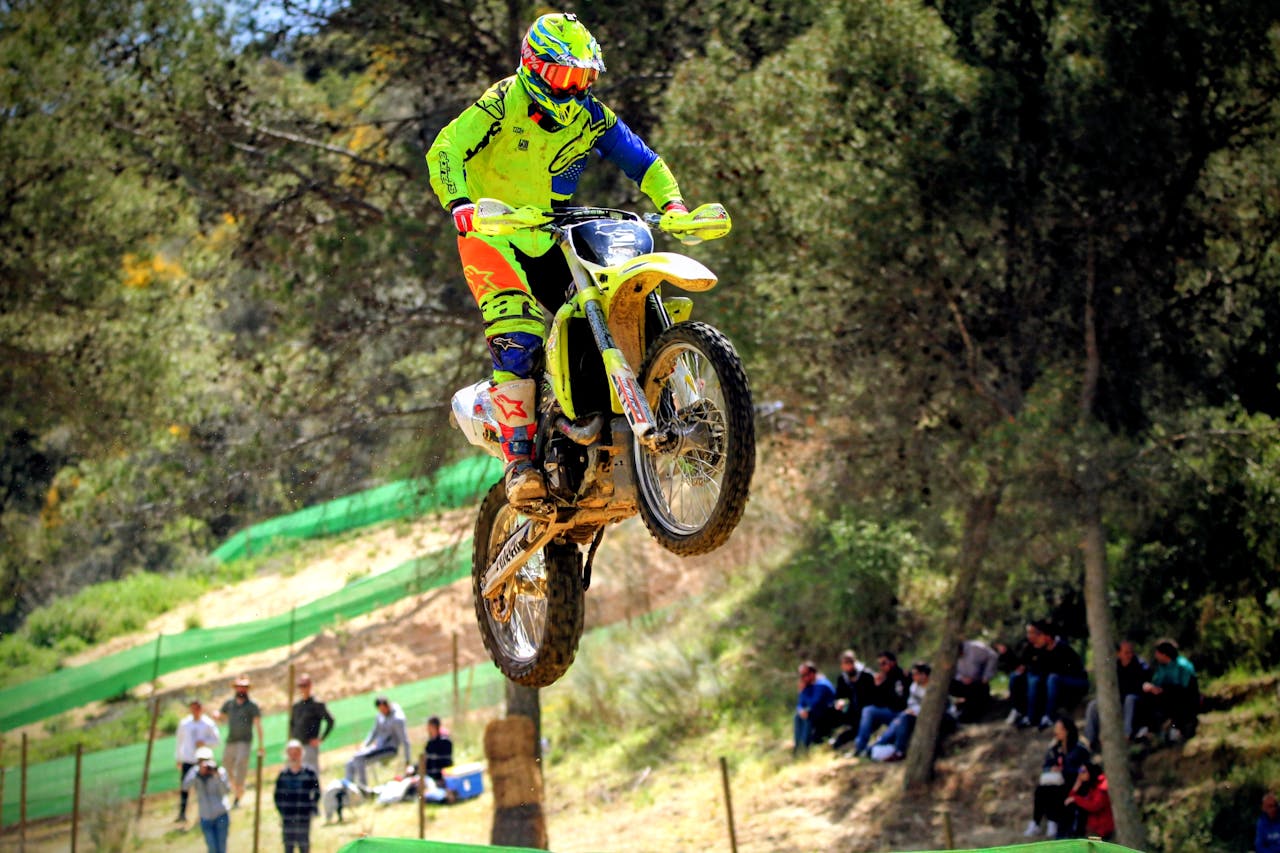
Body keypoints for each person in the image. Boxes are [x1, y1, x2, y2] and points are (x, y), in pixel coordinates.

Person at [425, 11, 693, 505]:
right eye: (563, 76)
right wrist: (459, 202)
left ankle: (601, 415)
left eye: (583, 78)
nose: (572, 89)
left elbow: (643, 160)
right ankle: (520, 460)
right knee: (520, 333)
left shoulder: (591, 116)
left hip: (550, 233)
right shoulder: (504, 101)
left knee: (605, 306)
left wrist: (673, 205)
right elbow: (447, 147)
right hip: (491, 232)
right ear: (533, 66)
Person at [1011, 620, 1089, 730]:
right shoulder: (1042, 649)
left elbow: (1062, 671)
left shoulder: (1063, 649)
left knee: (1052, 678)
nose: (1035, 640)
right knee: (1035, 679)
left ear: (1047, 637)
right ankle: (1029, 716)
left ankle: (1049, 716)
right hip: (1057, 681)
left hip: (1076, 681)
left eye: (1039, 636)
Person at [1024, 715, 1090, 839]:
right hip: (1057, 782)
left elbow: (1084, 769)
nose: (1056, 732)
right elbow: (1047, 765)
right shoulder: (1055, 748)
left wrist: (1064, 770)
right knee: (1042, 790)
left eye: (1059, 729)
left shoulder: (1079, 749)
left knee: (1051, 791)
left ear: (1067, 731)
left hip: (1073, 784)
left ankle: (1051, 821)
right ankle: (1038, 822)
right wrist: (1051, 768)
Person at [1084, 639, 1150, 748]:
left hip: (1134, 703)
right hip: (1116, 702)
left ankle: (1126, 736)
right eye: (1126, 653)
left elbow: (1144, 683)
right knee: (1093, 705)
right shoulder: (1113, 667)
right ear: (1118, 653)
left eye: (1131, 652)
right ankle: (1089, 741)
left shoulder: (1140, 665)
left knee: (1130, 699)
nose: (1130, 655)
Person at [213, 674, 264, 807]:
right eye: (240, 687)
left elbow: (258, 725)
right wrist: (217, 715)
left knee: (241, 763)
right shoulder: (229, 704)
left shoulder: (252, 705)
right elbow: (221, 716)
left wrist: (261, 745)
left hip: (245, 741)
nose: (242, 690)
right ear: (236, 688)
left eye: (244, 687)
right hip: (231, 740)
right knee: (226, 765)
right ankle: (237, 789)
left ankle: (238, 793)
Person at [870, 662, 935, 762]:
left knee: (903, 718)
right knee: (900, 719)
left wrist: (918, 711)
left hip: (934, 716)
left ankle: (899, 751)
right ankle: (880, 745)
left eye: (916, 674)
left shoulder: (934, 686)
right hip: (918, 715)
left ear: (924, 674)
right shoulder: (914, 687)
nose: (913, 676)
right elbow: (912, 703)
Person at [345, 695, 412, 791]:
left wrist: (408, 761)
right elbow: (374, 732)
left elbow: (405, 741)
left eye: (383, 709)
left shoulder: (398, 719)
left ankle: (364, 790)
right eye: (380, 709)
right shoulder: (380, 716)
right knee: (350, 763)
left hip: (390, 749)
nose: (382, 711)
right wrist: (365, 745)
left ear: (388, 705)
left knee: (359, 759)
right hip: (379, 747)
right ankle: (348, 789)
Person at [1139, 638, 1199, 743]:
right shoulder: (1162, 667)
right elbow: (1157, 683)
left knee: (1175, 697)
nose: (1155, 656)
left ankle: (1176, 729)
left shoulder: (1182, 666)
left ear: (1164, 654)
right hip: (1168, 696)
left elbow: (1185, 688)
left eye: (1157, 653)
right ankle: (1150, 731)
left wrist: (1164, 690)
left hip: (1185, 698)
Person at [851, 652, 911, 756]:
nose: (882, 667)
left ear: (893, 662)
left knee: (896, 724)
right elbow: (876, 701)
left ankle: (872, 749)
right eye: (880, 664)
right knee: (868, 710)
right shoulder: (883, 678)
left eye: (884, 663)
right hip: (889, 712)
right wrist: (877, 686)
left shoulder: (904, 676)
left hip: (903, 713)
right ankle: (860, 746)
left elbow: (903, 699)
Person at [174, 698, 220, 824]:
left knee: (205, 787)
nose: (195, 711)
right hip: (188, 759)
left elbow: (216, 741)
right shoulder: (185, 724)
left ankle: (206, 812)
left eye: (197, 708)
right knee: (185, 786)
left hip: (203, 760)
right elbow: (179, 742)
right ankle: (182, 813)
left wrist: (205, 743)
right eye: (193, 708)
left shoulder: (208, 723)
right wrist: (178, 758)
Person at [275, 739, 321, 853]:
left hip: (303, 817)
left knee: (304, 846)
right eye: (291, 753)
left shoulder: (310, 773)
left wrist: (311, 807)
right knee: (288, 847)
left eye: (296, 753)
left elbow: (317, 792)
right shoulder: (283, 776)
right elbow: (277, 797)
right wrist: (283, 812)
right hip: (288, 818)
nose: (293, 756)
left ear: (301, 754)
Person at [182, 745, 231, 853]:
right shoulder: (195, 773)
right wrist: (197, 774)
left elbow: (226, 791)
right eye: (200, 760)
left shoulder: (219, 772)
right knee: (212, 848)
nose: (204, 763)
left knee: (221, 848)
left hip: (221, 814)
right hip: (205, 816)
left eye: (206, 760)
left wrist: (217, 776)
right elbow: (185, 786)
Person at [290, 672, 335, 773]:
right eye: (300, 686)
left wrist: (321, 738)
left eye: (305, 685)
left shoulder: (317, 704)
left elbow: (330, 721)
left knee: (311, 774)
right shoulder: (296, 706)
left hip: (309, 746)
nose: (302, 688)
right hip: (297, 747)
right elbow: (292, 724)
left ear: (310, 686)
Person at [829, 649, 874, 751]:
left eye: (849, 663)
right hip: (851, 711)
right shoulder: (843, 678)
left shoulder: (866, 675)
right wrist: (840, 701)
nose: (847, 666)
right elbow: (839, 696)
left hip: (866, 710)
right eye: (845, 664)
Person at [792, 661, 836, 755]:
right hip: (815, 714)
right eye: (801, 675)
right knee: (798, 716)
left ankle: (804, 748)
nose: (802, 678)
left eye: (804, 675)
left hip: (827, 717)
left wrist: (802, 692)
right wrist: (801, 710)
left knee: (808, 717)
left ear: (812, 674)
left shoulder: (822, 685)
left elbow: (814, 703)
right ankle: (797, 747)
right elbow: (800, 704)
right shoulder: (809, 685)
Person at [951, 638, 1000, 722]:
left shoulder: (975, 648)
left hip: (978, 683)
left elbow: (992, 656)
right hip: (962, 683)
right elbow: (951, 672)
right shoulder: (949, 655)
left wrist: (986, 675)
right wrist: (961, 678)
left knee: (975, 701)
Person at [1064, 761, 1115, 840]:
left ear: (1090, 771)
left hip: (1101, 829)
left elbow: (1094, 806)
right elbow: (1069, 801)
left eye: (1083, 771)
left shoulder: (1101, 786)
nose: (1080, 774)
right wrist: (1077, 784)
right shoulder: (1089, 785)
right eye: (1079, 771)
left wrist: (1076, 799)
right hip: (1092, 827)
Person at [421, 716, 455, 804]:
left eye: (428, 726)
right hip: (431, 777)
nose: (427, 729)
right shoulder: (429, 743)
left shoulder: (445, 742)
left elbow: (444, 763)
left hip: (441, 778)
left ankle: (444, 797)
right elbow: (426, 762)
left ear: (433, 727)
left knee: (427, 791)